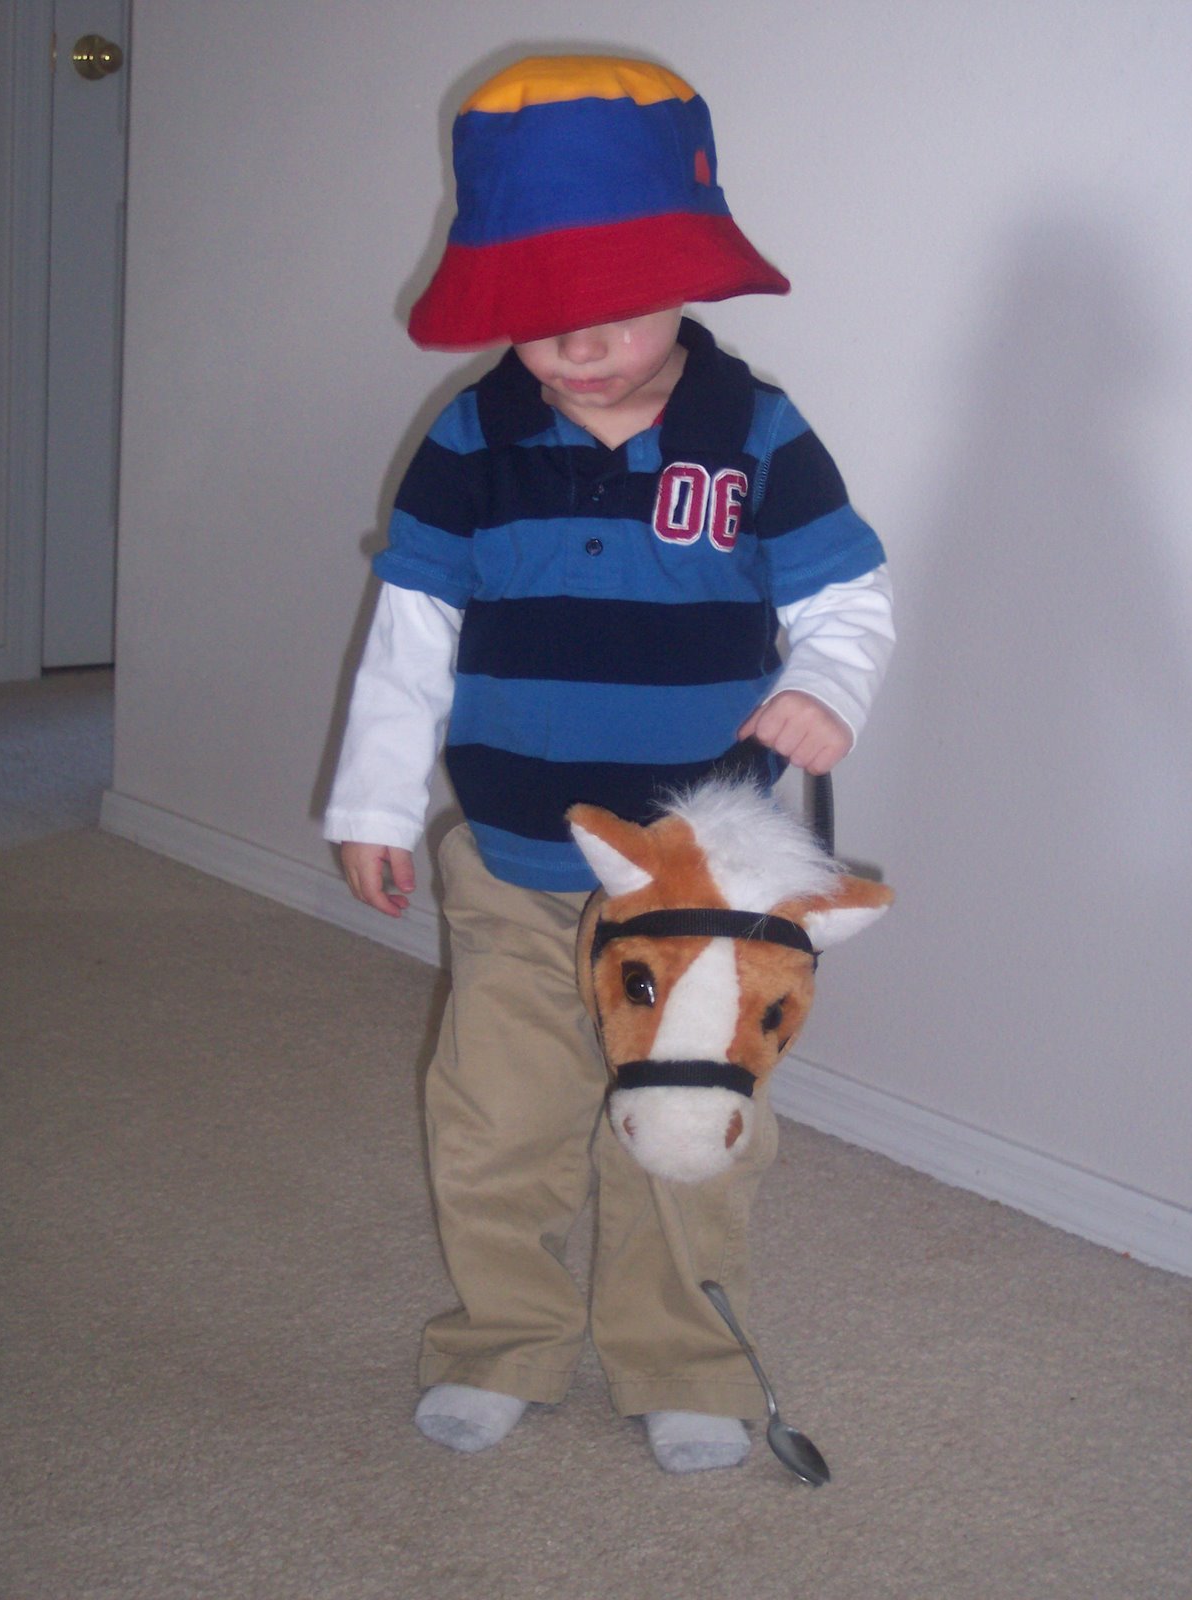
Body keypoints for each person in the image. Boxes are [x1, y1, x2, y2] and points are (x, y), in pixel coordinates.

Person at [324, 54, 894, 1473]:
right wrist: (373, 801)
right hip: (514, 872)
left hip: (696, 895)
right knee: (494, 1125)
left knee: (687, 1136)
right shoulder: (471, 440)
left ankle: (683, 1356)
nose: (579, 348)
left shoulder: (754, 433)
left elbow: (846, 597)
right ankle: (501, 1341)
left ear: (686, 285)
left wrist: (825, 687)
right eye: (542, 322)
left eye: (618, 316)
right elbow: (411, 634)